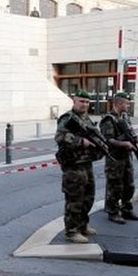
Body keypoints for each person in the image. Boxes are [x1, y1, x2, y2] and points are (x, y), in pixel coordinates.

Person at [55, 90, 104, 243]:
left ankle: (82, 225)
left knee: (88, 197)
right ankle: (72, 231)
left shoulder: (87, 119)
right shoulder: (67, 118)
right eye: (81, 101)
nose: (84, 105)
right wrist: (81, 141)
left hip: (86, 164)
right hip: (73, 165)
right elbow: (60, 137)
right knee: (74, 199)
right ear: (74, 101)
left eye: (87, 102)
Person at [100, 91, 138, 224]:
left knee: (129, 185)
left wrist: (134, 139)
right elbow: (108, 140)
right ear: (119, 103)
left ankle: (126, 209)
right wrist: (123, 143)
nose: (128, 106)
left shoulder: (124, 117)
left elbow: (129, 131)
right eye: (127, 103)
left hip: (126, 157)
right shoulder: (108, 119)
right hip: (115, 158)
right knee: (114, 186)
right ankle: (113, 212)